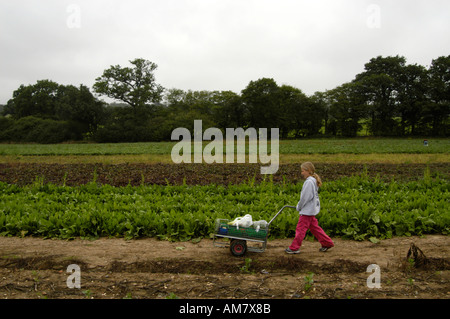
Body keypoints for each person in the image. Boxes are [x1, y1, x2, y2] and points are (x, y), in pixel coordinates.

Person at [285, 162, 334, 254]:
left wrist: (299, 206)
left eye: (303, 171)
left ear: (308, 171)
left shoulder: (309, 182)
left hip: (307, 211)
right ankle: (327, 243)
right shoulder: (313, 181)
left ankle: (294, 248)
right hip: (311, 210)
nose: (302, 173)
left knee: (300, 230)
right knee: (315, 229)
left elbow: (305, 198)